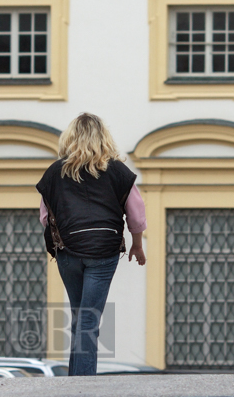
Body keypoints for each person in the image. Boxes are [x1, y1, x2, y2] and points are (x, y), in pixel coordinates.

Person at [36, 113, 146, 376]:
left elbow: (44, 217)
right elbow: (136, 213)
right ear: (104, 138)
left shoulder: (55, 172)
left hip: (68, 252)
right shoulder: (118, 171)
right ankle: (82, 386)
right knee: (89, 320)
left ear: (70, 138)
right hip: (103, 252)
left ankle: (76, 381)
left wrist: (65, 238)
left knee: (81, 318)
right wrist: (137, 245)